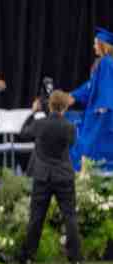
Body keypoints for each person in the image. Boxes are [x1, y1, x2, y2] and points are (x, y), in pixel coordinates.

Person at [19, 91, 83, 264]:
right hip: (64, 175)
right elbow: (71, 144)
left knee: (36, 218)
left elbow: (23, 132)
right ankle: (76, 258)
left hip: (43, 176)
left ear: (49, 105)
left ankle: (27, 257)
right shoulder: (69, 127)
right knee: (70, 216)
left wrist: (33, 112)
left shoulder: (40, 124)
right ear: (65, 106)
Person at [68, 27, 113, 171]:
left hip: (103, 116)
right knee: (85, 148)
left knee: (89, 149)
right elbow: (89, 87)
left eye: (95, 43)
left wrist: (105, 106)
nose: (94, 47)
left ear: (102, 44)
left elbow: (107, 85)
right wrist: (72, 96)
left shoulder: (107, 63)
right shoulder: (100, 64)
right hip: (95, 115)